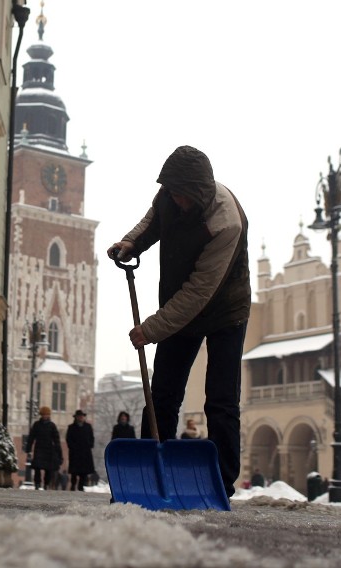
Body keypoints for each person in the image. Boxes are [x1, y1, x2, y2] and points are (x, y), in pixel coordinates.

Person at [107, 145, 250, 499]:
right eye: (172, 193)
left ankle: (221, 484)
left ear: (199, 193)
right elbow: (154, 219)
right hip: (180, 306)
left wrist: (151, 329)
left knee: (220, 399)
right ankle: (148, 475)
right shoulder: (172, 191)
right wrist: (132, 243)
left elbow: (198, 293)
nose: (177, 200)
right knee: (163, 394)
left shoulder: (225, 221)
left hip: (224, 311)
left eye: (183, 196)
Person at [25, 406, 62, 490]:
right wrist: (29, 448)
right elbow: (31, 437)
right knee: (37, 467)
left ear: (49, 415)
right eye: (43, 414)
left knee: (48, 469)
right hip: (39, 448)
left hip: (49, 449)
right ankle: (37, 483)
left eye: (46, 414)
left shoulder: (52, 426)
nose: (45, 416)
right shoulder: (37, 425)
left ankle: (46, 484)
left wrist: (57, 449)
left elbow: (56, 439)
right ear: (41, 415)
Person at [66, 409, 95, 491]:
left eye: (82, 416)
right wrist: (72, 447)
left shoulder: (88, 427)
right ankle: (73, 485)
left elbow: (91, 437)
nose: (81, 418)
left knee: (84, 471)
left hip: (85, 452)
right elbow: (68, 439)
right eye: (79, 416)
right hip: (75, 452)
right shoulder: (71, 427)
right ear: (76, 417)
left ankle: (80, 486)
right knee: (74, 471)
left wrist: (90, 445)